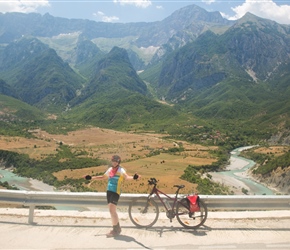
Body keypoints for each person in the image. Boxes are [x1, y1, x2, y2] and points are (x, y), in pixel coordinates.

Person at [84, 154, 140, 237]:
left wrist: (134, 177)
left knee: (112, 211)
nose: (114, 162)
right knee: (111, 211)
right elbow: (103, 177)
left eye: (116, 161)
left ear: (118, 162)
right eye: (113, 161)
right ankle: (117, 228)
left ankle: (116, 230)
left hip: (115, 192)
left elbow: (126, 177)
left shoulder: (121, 170)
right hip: (109, 191)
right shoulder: (110, 169)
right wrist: (91, 178)